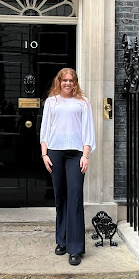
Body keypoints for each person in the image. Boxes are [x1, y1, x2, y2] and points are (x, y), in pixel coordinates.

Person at [40, 68, 96, 266]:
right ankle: (61, 241)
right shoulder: (51, 102)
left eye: (71, 80)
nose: (68, 83)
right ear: (59, 81)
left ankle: (75, 248)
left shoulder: (83, 102)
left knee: (75, 197)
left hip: (75, 155)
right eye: (64, 80)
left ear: (75, 83)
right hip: (55, 152)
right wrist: (44, 154)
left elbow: (88, 130)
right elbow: (45, 129)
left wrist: (86, 155)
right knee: (60, 197)